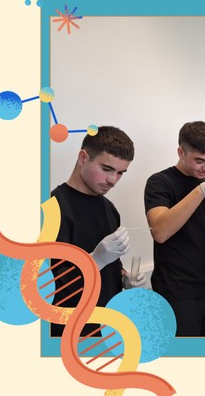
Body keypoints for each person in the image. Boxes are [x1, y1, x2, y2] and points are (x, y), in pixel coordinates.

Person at [144, 121, 205, 337]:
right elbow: (160, 232)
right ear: (181, 152)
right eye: (200, 161)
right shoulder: (160, 182)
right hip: (177, 291)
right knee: (182, 355)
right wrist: (200, 191)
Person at [50, 126, 144, 337]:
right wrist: (94, 261)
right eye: (107, 169)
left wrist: (125, 278)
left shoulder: (109, 209)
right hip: (71, 331)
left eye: (120, 173)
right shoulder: (53, 209)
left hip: (108, 325)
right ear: (83, 158)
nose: (113, 180)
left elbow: (113, 265)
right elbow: (49, 288)